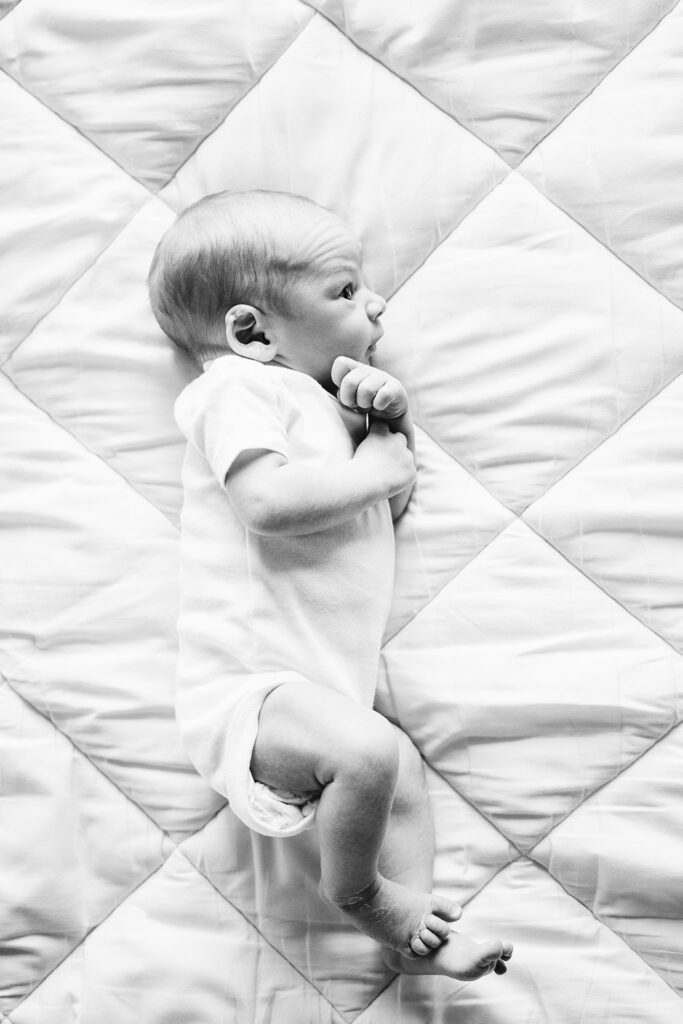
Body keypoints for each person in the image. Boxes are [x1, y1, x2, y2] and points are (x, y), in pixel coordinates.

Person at [148, 189, 512, 981]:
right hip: (252, 692)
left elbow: (386, 506)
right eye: (345, 291)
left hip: (321, 695)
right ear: (252, 331)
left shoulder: (315, 406)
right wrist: (374, 463)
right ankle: (360, 894)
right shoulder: (233, 392)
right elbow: (267, 505)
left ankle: (421, 931)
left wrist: (388, 429)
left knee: (394, 769)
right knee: (373, 751)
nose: (375, 303)